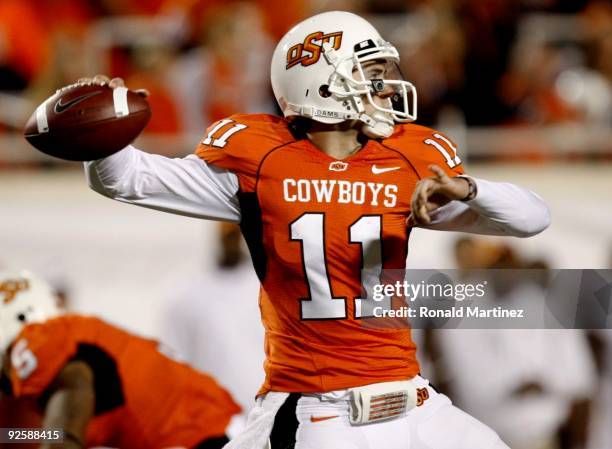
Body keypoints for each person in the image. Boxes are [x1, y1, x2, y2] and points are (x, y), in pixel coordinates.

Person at [78, 11, 550, 449]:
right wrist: (102, 133)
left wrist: (468, 189)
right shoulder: (260, 159)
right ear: (322, 86)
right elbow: (124, 178)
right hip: (321, 413)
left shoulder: (409, 159)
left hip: (414, 399)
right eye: (369, 73)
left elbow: (533, 218)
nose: (387, 87)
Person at [0, 271, 241, 449]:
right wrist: (5, 435)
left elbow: (62, 439)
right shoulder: (66, 345)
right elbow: (43, 435)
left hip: (209, 438)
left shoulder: (43, 344)